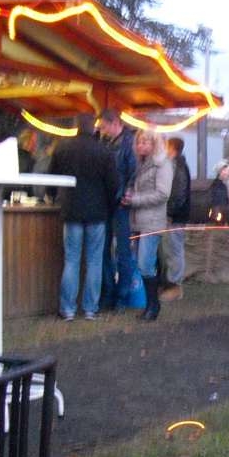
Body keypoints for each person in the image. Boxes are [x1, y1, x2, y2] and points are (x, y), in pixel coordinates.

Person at [49, 114, 118, 321]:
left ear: (75, 126)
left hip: (71, 211)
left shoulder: (62, 148)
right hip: (97, 213)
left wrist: (51, 196)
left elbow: (51, 178)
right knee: (94, 261)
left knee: (71, 260)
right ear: (94, 128)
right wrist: (109, 206)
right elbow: (113, 185)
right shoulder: (104, 152)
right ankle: (90, 309)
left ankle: (68, 309)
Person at [121, 130, 173, 321]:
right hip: (139, 220)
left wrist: (135, 199)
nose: (140, 146)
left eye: (145, 142)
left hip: (152, 221)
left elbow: (162, 194)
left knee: (145, 264)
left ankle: (153, 305)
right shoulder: (141, 165)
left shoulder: (162, 164)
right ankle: (151, 305)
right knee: (145, 265)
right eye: (139, 142)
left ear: (154, 144)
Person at [98, 108, 138, 311]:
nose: (102, 131)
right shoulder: (107, 143)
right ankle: (110, 293)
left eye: (104, 127)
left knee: (122, 252)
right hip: (108, 201)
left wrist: (127, 193)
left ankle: (121, 296)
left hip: (120, 203)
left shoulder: (129, 143)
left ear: (114, 123)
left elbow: (133, 172)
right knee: (105, 250)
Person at [159, 137, 191, 302]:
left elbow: (179, 193)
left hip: (175, 216)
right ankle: (171, 284)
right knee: (171, 250)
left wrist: (170, 213)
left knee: (174, 251)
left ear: (171, 148)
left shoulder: (177, 167)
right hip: (175, 215)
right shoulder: (178, 165)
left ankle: (175, 287)